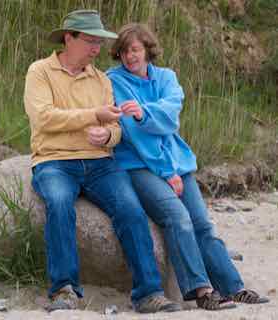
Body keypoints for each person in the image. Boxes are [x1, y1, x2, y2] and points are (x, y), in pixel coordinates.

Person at [24, 10, 183, 313]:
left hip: (100, 163)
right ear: (68, 38)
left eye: (99, 42)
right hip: (54, 161)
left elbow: (117, 128)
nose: (97, 49)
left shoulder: (100, 79)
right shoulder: (40, 71)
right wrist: (93, 116)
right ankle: (63, 290)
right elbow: (43, 118)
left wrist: (107, 136)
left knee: (131, 210)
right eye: (90, 41)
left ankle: (148, 294)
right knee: (58, 204)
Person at [107, 23, 270, 310]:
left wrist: (145, 113)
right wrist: (165, 171)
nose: (129, 56)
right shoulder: (114, 81)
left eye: (134, 49)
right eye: (123, 51)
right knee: (177, 216)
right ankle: (201, 290)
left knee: (203, 224)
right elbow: (133, 134)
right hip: (138, 164)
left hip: (176, 162)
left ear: (147, 50)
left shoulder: (167, 78)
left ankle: (234, 287)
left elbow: (170, 118)